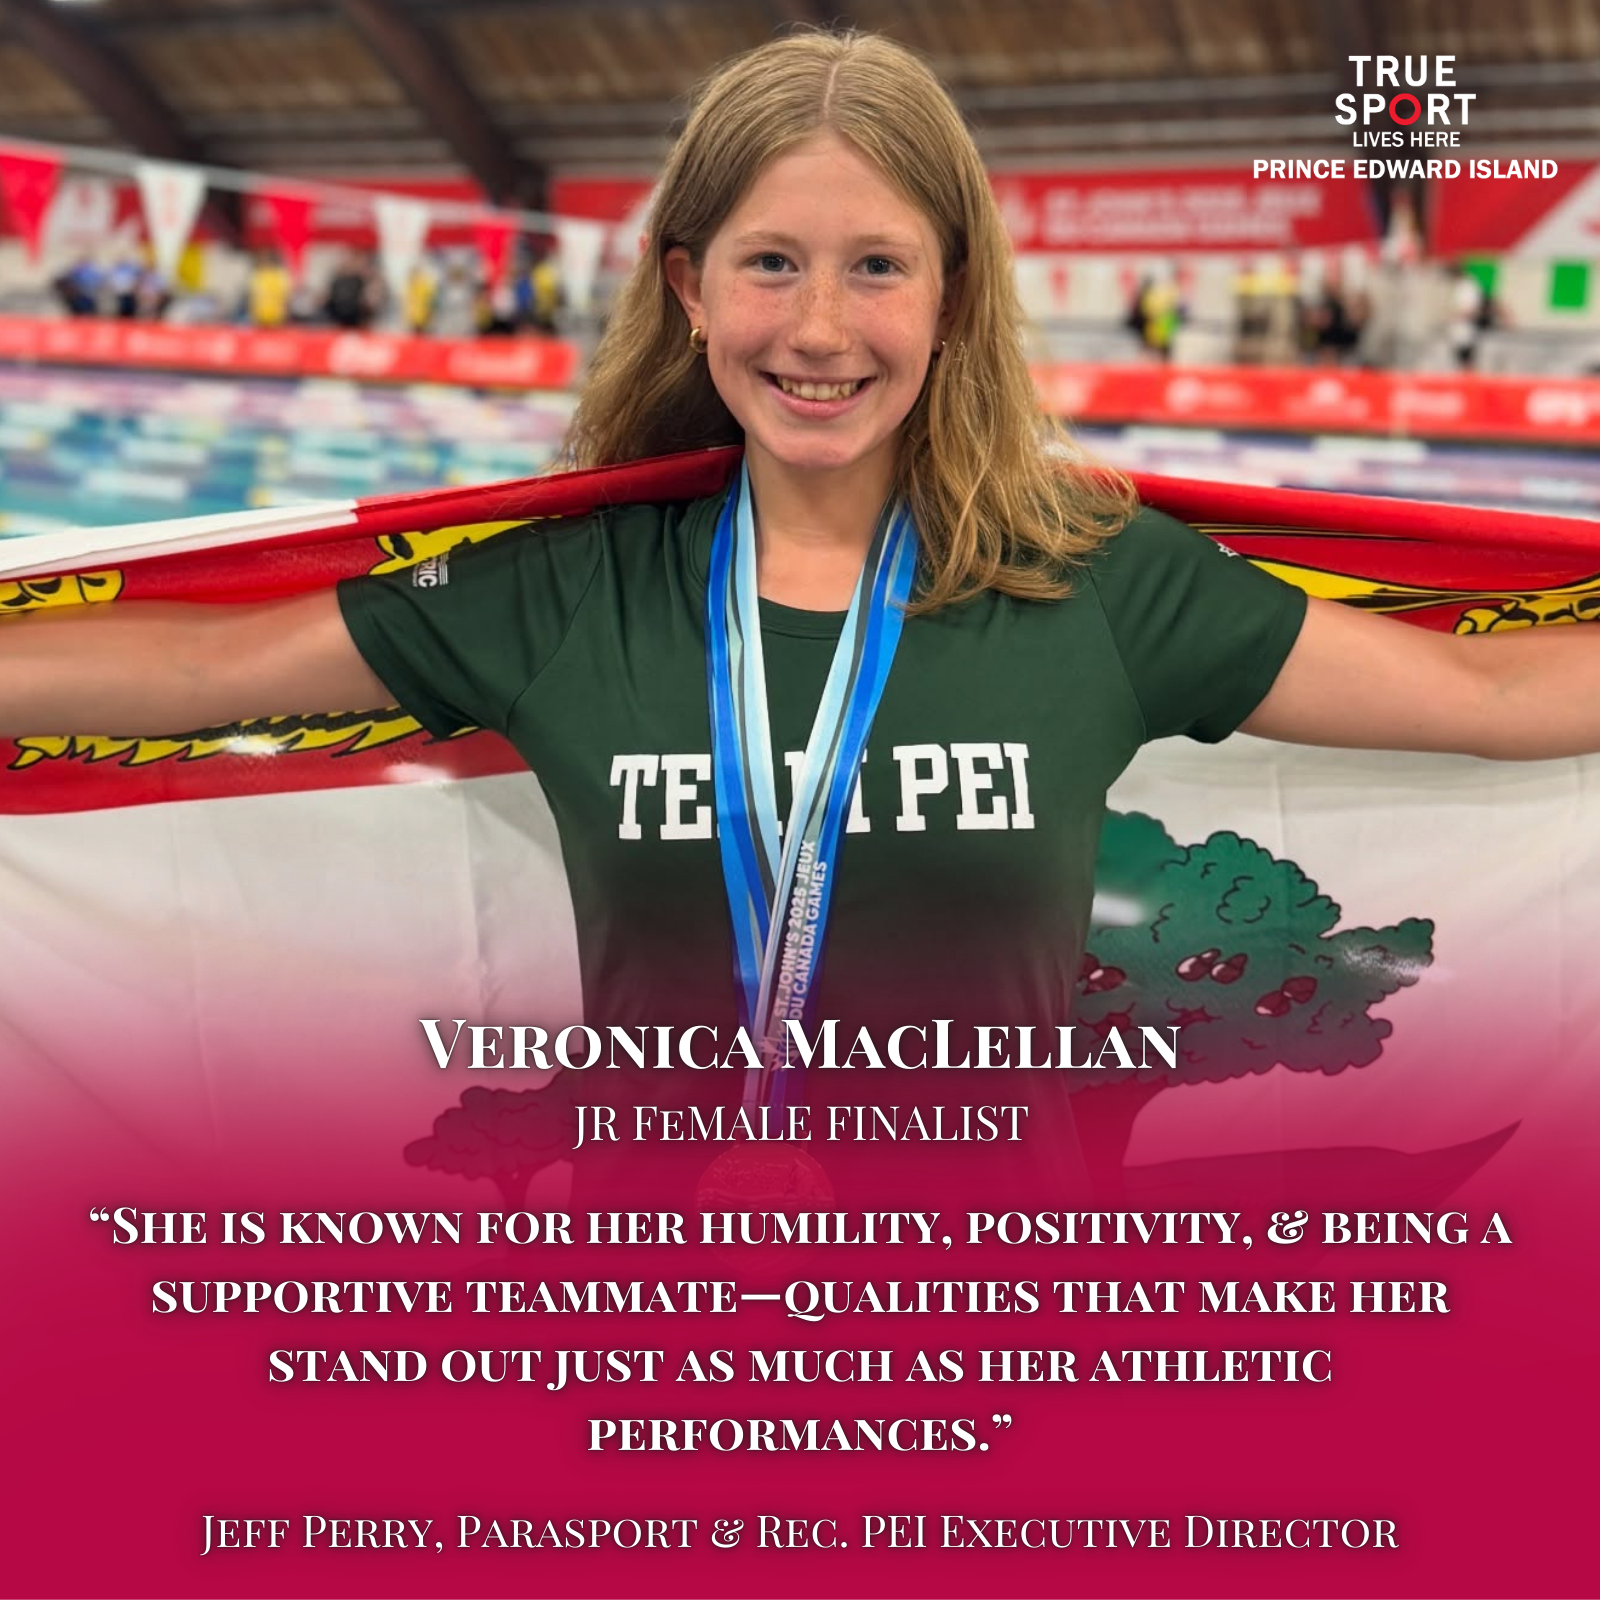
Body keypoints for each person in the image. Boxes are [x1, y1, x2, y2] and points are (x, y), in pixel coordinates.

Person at [2, 31, 1597, 1207]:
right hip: (662, 1325)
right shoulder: (567, 588)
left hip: (1009, 1335)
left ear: (956, 294)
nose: (820, 329)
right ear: (689, 288)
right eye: (771, 265)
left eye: (877, 268)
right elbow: (208, 668)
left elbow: (1499, 701)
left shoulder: (1092, 576)